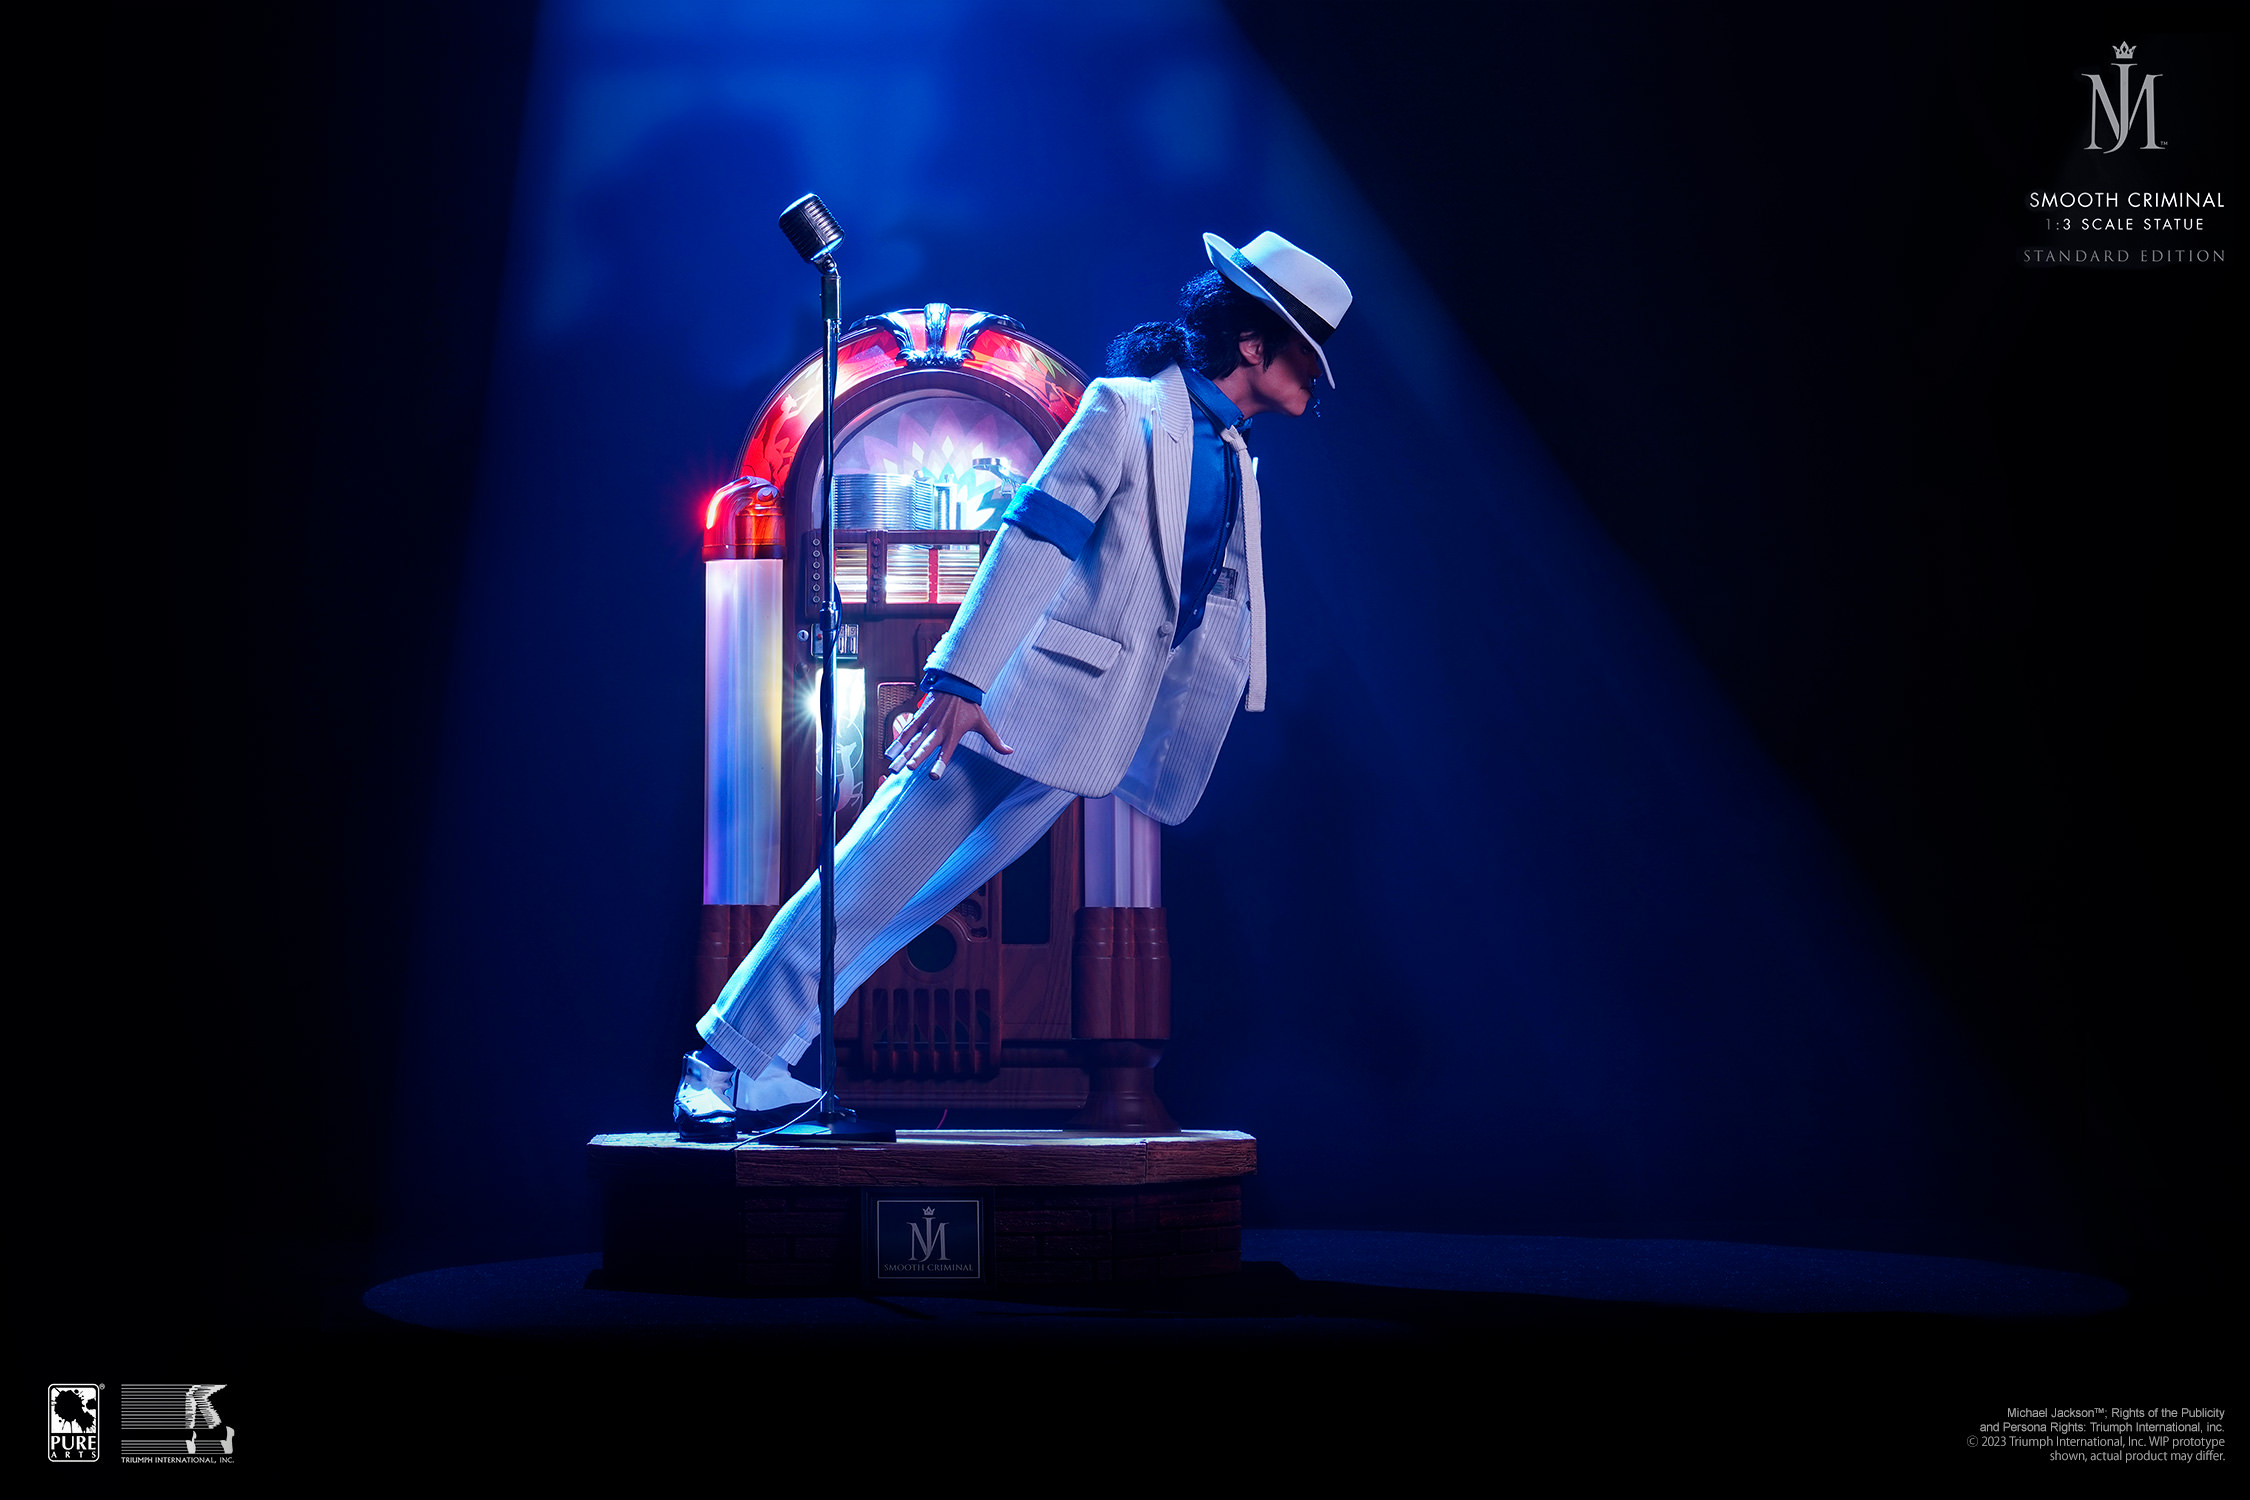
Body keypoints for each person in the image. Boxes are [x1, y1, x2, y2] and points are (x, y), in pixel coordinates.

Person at [673, 230, 1353, 1134]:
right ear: (1255, 344)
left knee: (914, 897)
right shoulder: (1124, 409)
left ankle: (761, 1061)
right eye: (1307, 354)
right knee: (873, 871)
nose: (1317, 380)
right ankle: (718, 1067)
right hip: (1008, 704)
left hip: (1090, 727)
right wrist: (960, 680)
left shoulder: (1230, 451)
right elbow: (1035, 537)